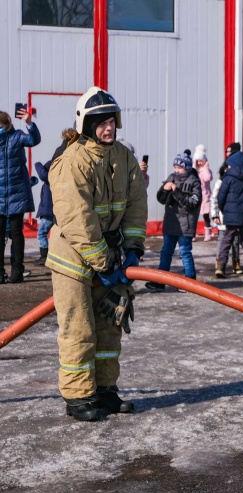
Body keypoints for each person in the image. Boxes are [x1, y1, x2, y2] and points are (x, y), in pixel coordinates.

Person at [46, 86, 147, 421]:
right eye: (101, 122)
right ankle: (78, 397)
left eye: (112, 122)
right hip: (73, 258)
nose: (109, 128)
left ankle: (104, 390)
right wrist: (103, 262)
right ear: (86, 125)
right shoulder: (72, 161)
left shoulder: (123, 157)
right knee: (79, 328)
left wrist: (132, 247)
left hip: (111, 255)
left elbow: (135, 203)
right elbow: (78, 219)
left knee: (109, 326)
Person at [145, 153, 202, 291]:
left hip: (185, 226)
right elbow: (161, 199)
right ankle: (160, 281)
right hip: (171, 223)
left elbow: (192, 203)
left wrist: (177, 192)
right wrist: (163, 190)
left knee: (185, 252)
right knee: (166, 252)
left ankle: (190, 280)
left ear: (187, 168)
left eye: (179, 167)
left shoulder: (194, 181)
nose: (176, 170)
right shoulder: (171, 178)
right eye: (175, 167)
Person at [0, 105, 41, 283]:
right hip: (0, 195)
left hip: (17, 193)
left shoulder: (16, 137)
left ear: (7, 125)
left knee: (17, 233)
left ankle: (17, 271)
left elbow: (34, 140)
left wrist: (29, 123)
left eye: (1, 125)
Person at [32, 128, 76, 266]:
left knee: (42, 232)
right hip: (60, 205)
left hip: (50, 207)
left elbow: (47, 176)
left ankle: (45, 256)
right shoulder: (75, 153)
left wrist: (38, 165)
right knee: (62, 234)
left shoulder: (60, 152)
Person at [216, 147, 243, 278]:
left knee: (227, 239)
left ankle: (221, 266)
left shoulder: (228, 178)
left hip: (231, 214)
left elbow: (220, 197)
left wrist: (223, 210)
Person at [193, 144, 214, 241]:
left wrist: (205, 168)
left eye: (201, 160)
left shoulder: (206, 170)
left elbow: (207, 178)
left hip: (205, 196)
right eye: (198, 161)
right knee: (194, 216)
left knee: (206, 215)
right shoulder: (194, 171)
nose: (200, 163)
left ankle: (208, 234)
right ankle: (192, 234)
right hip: (196, 196)